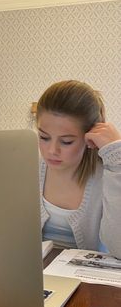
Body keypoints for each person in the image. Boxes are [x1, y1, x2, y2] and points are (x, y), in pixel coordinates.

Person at [36, 79, 121, 259]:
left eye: (66, 141)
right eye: (44, 137)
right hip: (34, 275)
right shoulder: (26, 169)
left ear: (90, 136)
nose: (52, 150)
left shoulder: (110, 174)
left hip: (89, 282)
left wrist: (116, 158)